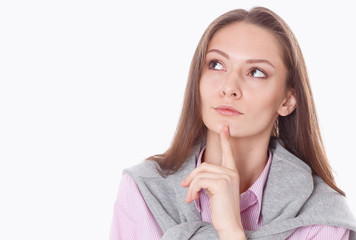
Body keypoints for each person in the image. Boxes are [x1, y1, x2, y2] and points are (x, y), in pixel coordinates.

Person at [110, 7, 356, 240]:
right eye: (216, 65)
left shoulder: (321, 217)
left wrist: (231, 230)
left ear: (287, 100)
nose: (229, 87)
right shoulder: (144, 190)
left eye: (256, 72)